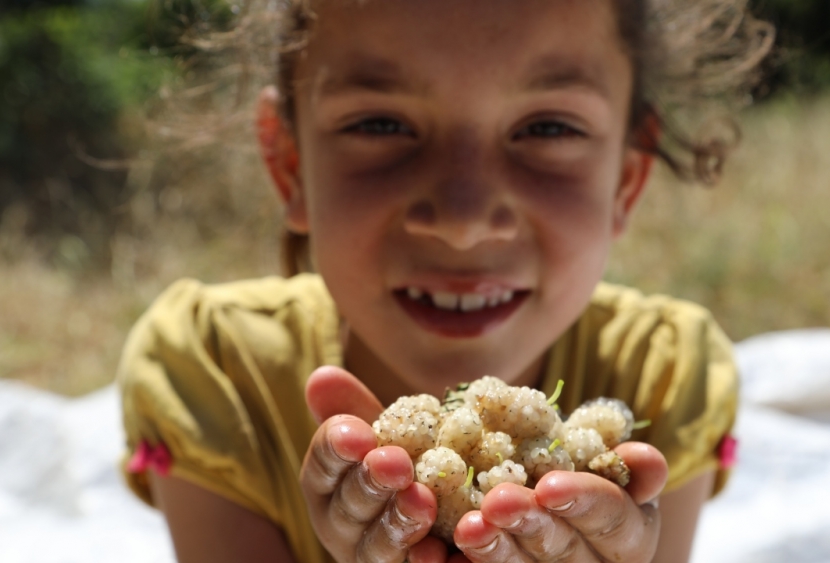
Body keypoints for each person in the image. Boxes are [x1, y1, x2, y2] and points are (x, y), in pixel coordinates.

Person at [117, 1, 773, 561]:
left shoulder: (661, 378)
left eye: (547, 127)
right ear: (289, 164)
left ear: (626, 180)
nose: (463, 221)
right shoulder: (220, 379)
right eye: (381, 124)